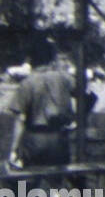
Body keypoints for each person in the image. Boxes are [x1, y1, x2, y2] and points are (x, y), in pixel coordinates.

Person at [6, 42, 93, 171]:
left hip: (34, 139)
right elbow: (87, 96)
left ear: (30, 60)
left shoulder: (27, 83)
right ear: (52, 59)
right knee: (57, 178)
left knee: (24, 177)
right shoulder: (65, 79)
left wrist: (14, 149)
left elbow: (20, 119)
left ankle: (24, 183)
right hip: (59, 139)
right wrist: (78, 120)